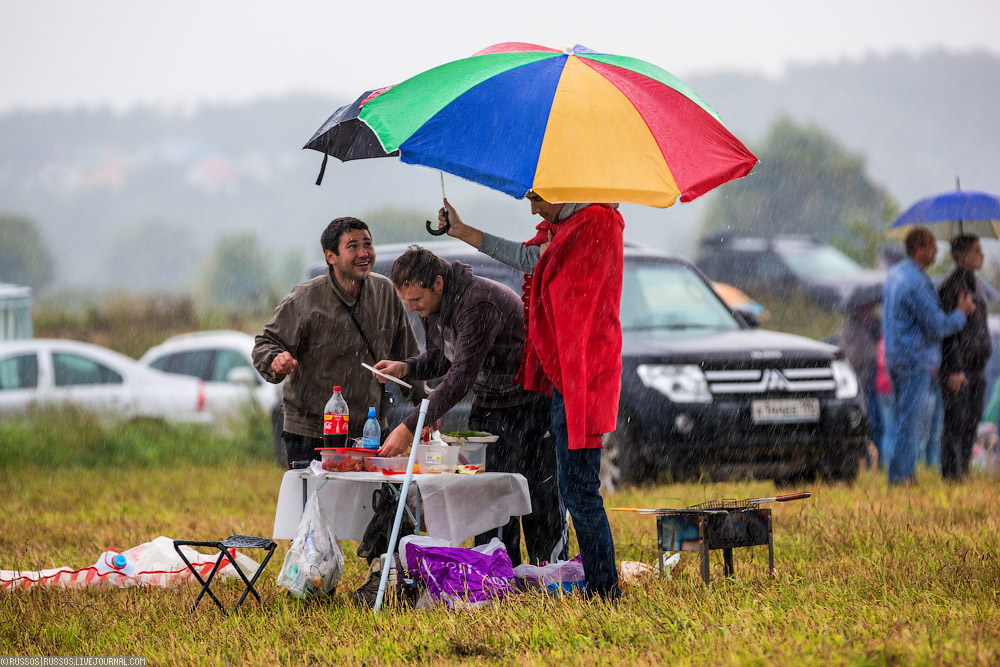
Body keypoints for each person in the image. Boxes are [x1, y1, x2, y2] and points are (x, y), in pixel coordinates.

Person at [436, 193, 623, 601]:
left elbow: (549, 267)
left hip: (585, 375)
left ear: (562, 189)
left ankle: (605, 590)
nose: (534, 209)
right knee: (576, 490)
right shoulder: (563, 230)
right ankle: (600, 584)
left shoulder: (596, 224)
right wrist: (463, 230)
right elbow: (529, 258)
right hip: (564, 377)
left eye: (538, 198)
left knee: (579, 491)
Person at [373, 246, 567, 567]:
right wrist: (406, 368)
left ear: (437, 283)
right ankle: (499, 574)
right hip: (489, 407)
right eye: (406, 302)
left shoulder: (478, 303)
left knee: (537, 497)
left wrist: (410, 426)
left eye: (416, 300)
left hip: (532, 405)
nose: (412, 308)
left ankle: (550, 574)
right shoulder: (432, 308)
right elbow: (440, 358)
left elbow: (460, 377)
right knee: (488, 498)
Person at [252, 217, 426, 467]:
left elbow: (409, 356)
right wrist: (275, 360)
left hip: (370, 431)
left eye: (368, 244)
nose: (364, 253)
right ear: (330, 256)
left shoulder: (385, 292)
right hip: (312, 433)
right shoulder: (305, 299)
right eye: (353, 246)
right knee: (317, 505)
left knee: (375, 503)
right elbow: (265, 344)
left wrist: (423, 402)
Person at [882, 227, 975, 485]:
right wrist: (961, 313)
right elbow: (937, 326)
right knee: (910, 424)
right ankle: (900, 477)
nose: (937, 251)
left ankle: (905, 471)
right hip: (914, 360)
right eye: (933, 246)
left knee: (904, 419)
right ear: (920, 249)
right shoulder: (916, 282)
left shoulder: (896, 274)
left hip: (896, 356)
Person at [938, 234, 992, 480]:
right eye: (976, 250)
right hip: (960, 368)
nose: (982, 255)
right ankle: (952, 473)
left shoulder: (977, 284)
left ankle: (964, 469)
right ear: (962, 257)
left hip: (978, 367)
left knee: (971, 421)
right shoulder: (952, 287)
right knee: (956, 422)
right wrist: (954, 369)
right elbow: (949, 337)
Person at [839, 300, 881, 466]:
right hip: (861, 384)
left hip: (880, 384)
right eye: (864, 307)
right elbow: (849, 356)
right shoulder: (850, 328)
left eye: (870, 307)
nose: (868, 311)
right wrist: (873, 352)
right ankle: (865, 464)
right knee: (865, 426)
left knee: (879, 426)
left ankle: (879, 463)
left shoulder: (879, 325)